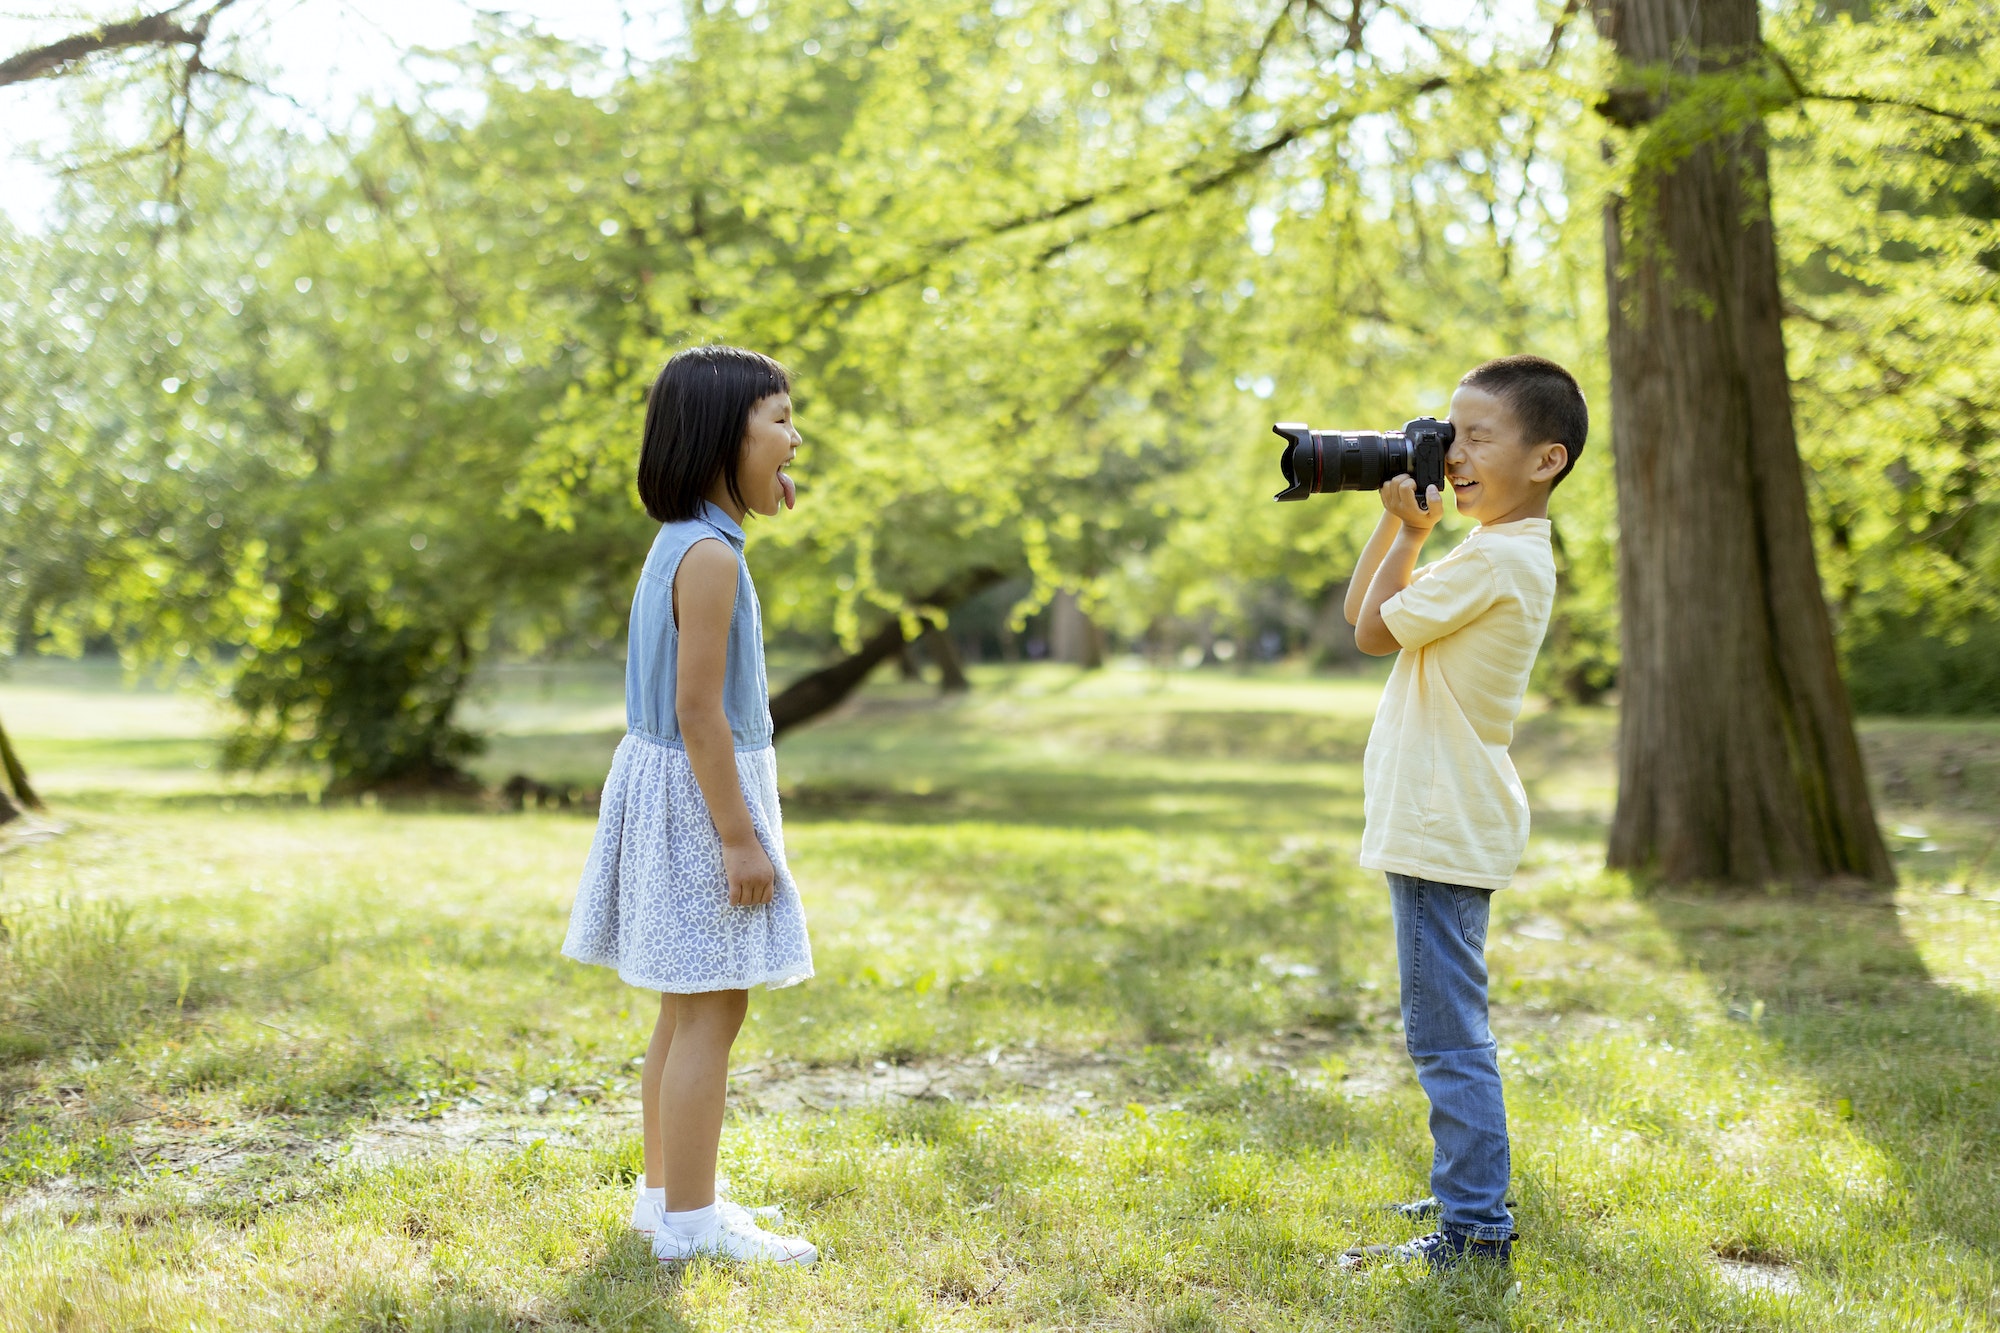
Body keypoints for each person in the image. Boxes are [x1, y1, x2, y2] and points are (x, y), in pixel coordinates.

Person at [562, 344, 818, 1266]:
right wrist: (741, 841)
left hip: (669, 786)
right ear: (724, 436)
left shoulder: (688, 540)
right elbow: (699, 711)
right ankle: (690, 1229)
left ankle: (666, 1200)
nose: (795, 438)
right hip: (700, 801)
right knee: (713, 1010)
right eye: (780, 420)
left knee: (685, 1009)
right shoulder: (709, 558)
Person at [1337, 355, 1587, 1272]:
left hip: (1444, 820)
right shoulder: (1494, 551)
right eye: (1452, 431)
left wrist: (1404, 535)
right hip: (1444, 815)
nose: (1452, 451)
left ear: (1547, 458)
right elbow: (1370, 618)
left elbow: (1370, 629)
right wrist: (1395, 528)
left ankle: (1475, 1226)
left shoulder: (1496, 557)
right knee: (1448, 1026)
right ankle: (1466, 1184)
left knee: (1446, 1036)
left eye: (1479, 435)